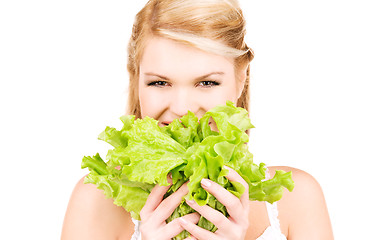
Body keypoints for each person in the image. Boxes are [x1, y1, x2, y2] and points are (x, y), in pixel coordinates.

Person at [61, 0, 334, 239]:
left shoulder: (296, 200)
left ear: (241, 80)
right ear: (136, 81)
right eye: (159, 83)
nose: (182, 109)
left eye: (206, 82)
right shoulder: (97, 199)